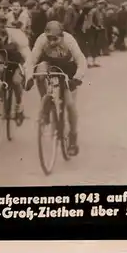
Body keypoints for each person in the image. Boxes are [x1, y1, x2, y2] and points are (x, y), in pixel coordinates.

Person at [23, 21, 87, 156]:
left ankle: (73, 137)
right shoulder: (41, 39)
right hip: (50, 64)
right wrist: (28, 77)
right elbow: (31, 60)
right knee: (39, 72)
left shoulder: (69, 40)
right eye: (49, 38)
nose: (51, 42)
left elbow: (81, 60)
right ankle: (45, 103)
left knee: (70, 104)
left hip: (68, 68)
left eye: (55, 39)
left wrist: (77, 78)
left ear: (62, 35)